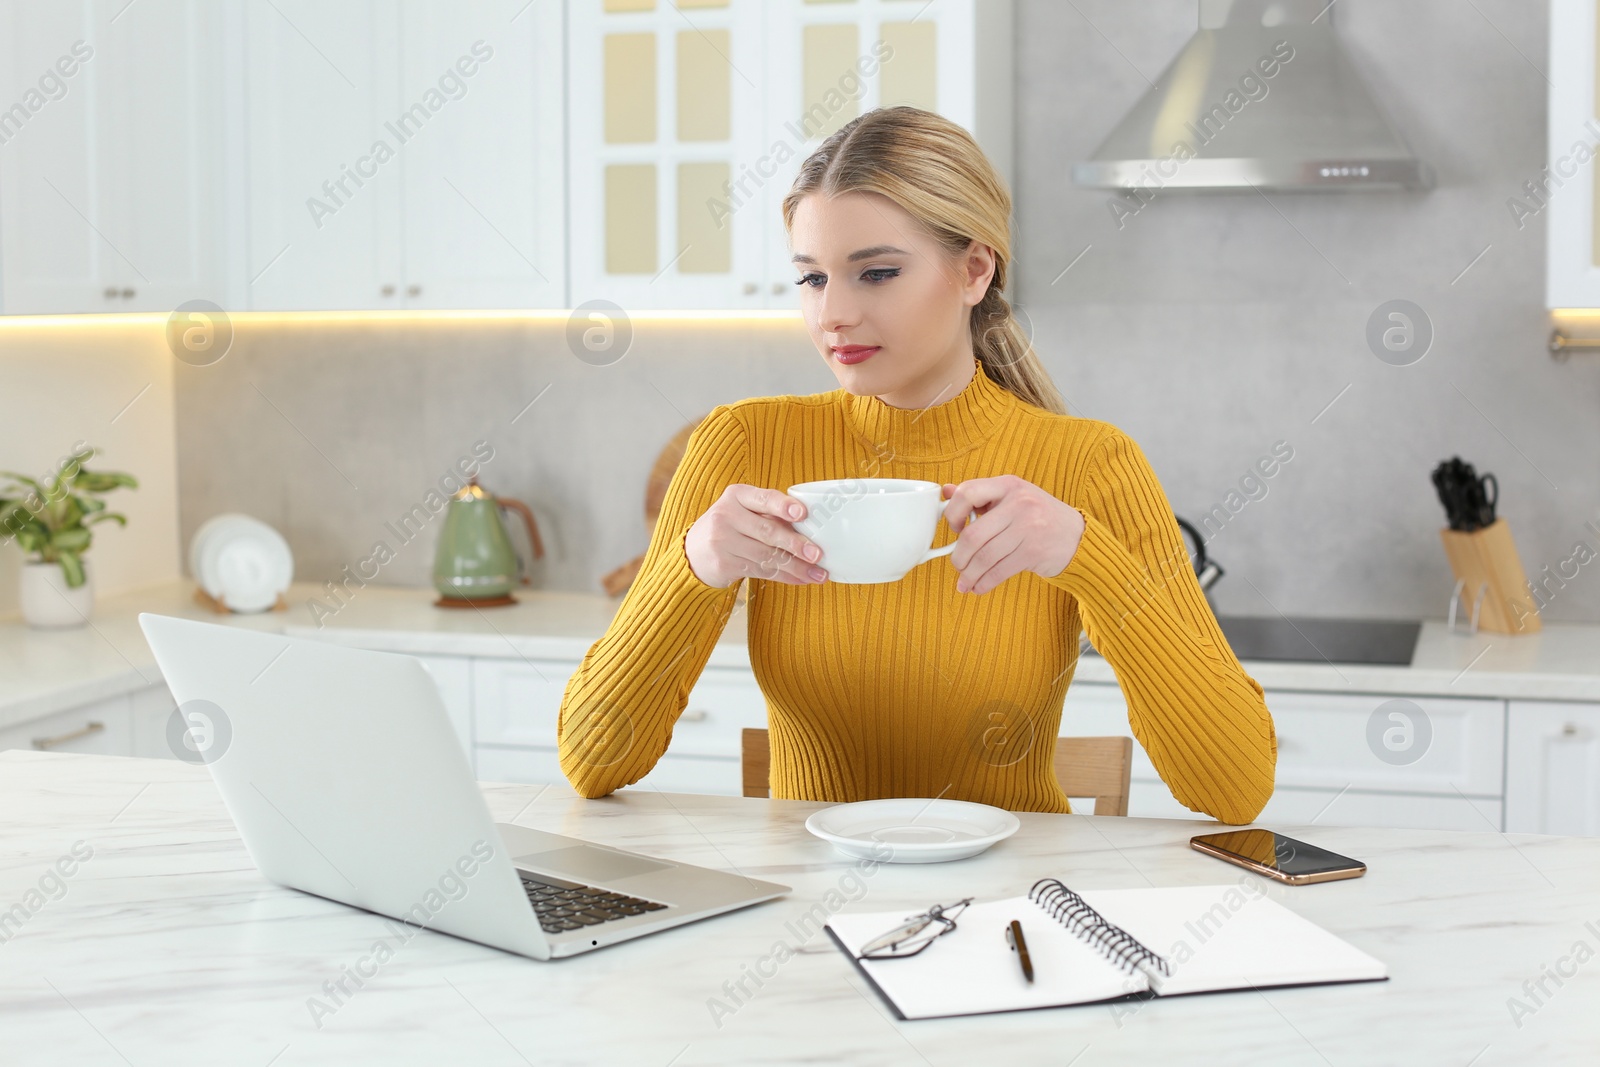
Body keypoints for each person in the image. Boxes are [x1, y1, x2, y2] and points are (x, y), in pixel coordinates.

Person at [557, 106, 1276, 823]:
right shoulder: (744, 444)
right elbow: (592, 762)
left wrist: (1088, 558)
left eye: (875, 273)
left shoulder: (1089, 463)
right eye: (812, 280)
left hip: (1011, 904)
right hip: (804, 914)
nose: (832, 313)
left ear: (973, 269)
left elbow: (1235, 788)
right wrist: (692, 567)